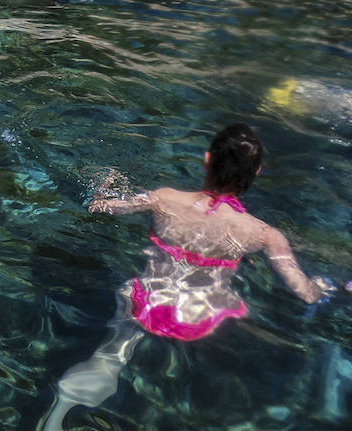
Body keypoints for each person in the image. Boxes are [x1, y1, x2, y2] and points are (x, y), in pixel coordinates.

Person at [41, 123, 337, 431]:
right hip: (202, 318)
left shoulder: (164, 198)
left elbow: (100, 207)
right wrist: (325, 287)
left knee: (111, 355)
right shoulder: (264, 235)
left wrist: (105, 184)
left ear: (207, 159)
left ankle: (60, 412)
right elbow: (303, 292)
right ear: (258, 171)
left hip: (146, 302)